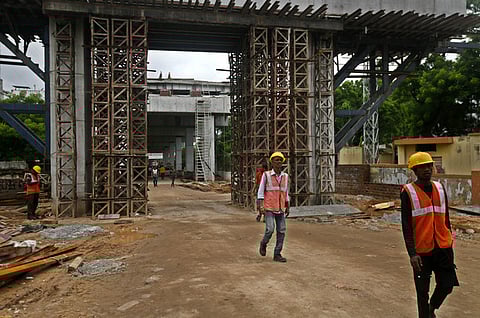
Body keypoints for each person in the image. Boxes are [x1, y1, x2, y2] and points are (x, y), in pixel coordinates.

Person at [401, 152, 458, 318]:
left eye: (429, 166)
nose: (427, 169)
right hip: (421, 251)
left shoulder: (440, 188)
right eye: (422, 167)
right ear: (415, 170)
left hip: (443, 247)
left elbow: (446, 218)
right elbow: (406, 226)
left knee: (447, 285)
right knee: (422, 293)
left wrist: (449, 240)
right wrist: (412, 254)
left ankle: (432, 307)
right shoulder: (408, 192)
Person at [257, 152, 289, 263]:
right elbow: (261, 191)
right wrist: (260, 206)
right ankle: (263, 243)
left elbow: (285, 191)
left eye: (280, 160)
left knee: (281, 231)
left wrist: (287, 204)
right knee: (270, 229)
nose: (278, 162)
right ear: (272, 162)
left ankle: (277, 253)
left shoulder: (285, 176)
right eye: (276, 160)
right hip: (269, 207)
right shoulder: (266, 175)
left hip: (280, 207)